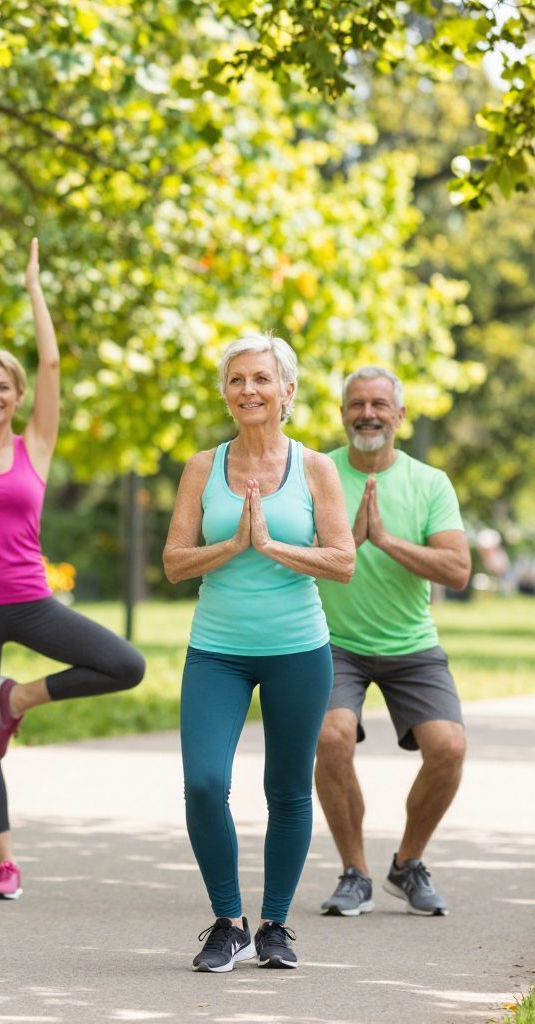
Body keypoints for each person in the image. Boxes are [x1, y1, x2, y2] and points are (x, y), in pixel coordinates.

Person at [0, 236, 146, 900]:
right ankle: (5, 864)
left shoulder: (37, 447)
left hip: (29, 600)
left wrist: (34, 287)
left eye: (3, 386)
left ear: (19, 395)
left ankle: (18, 698)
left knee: (126, 665)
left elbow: (51, 361)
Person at [163, 333, 354, 972]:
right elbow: (174, 562)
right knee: (203, 783)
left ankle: (274, 924)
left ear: (286, 391)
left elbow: (343, 561)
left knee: (288, 789)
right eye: (237, 379)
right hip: (217, 650)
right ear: (226, 392)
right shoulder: (202, 467)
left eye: (262, 378)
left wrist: (272, 546)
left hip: (298, 649)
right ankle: (228, 922)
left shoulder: (316, 468)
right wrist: (234, 545)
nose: (249, 389)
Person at [313, 366, 471, 918]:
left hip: (411, 644)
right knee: (331, 737)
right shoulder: (318, 472)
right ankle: (354, 874)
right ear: (342, 414)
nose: (368, 414)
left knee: (449, 747)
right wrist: (349, 543)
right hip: (334, 641)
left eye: (379, 404)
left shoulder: (430, 483)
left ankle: (408, 864)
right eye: (357, 404)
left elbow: (457, 570)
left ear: (399, 415)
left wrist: (383, 540)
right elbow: (293, 559)